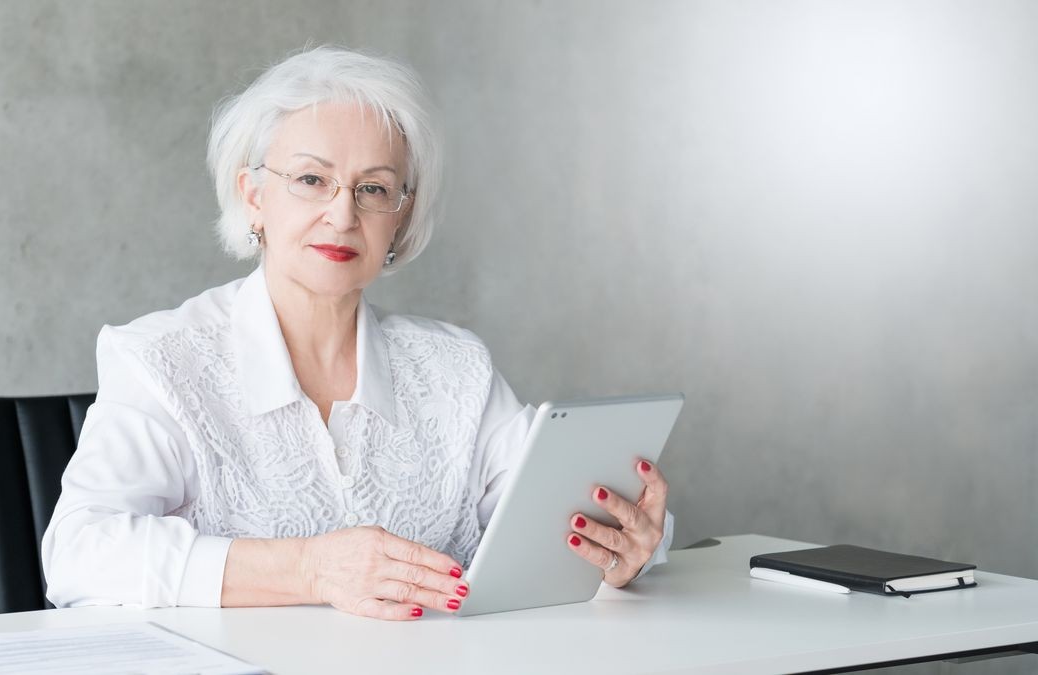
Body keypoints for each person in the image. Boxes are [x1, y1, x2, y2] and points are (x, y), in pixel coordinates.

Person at [40, 45, 673, 621]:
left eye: (374, 189)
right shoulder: (163, 359)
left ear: (400, 219)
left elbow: (553, 516)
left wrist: (633, 543)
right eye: (312, 180)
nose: (342, 214)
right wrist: (313, 568)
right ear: (254, 196)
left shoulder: (455, 367)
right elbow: (77, 552)